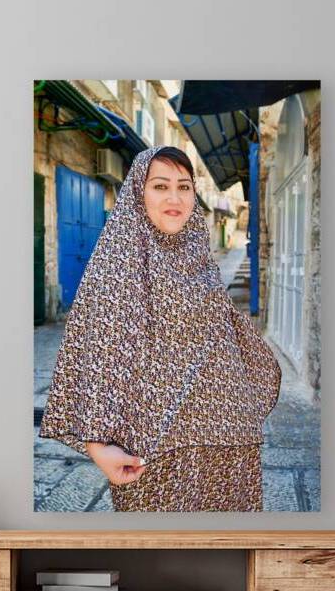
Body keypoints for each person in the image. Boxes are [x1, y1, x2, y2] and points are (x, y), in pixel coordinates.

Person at [39, 145, 282, 512]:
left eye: (184, 187)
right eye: (160, 186)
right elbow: (97, 354)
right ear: (139, 192)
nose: (175, 197)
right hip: (158, 452)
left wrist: (245, 404)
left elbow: (228, 337)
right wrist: (97, 445)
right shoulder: (120, 261)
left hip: (230, 445)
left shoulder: (197, 257)